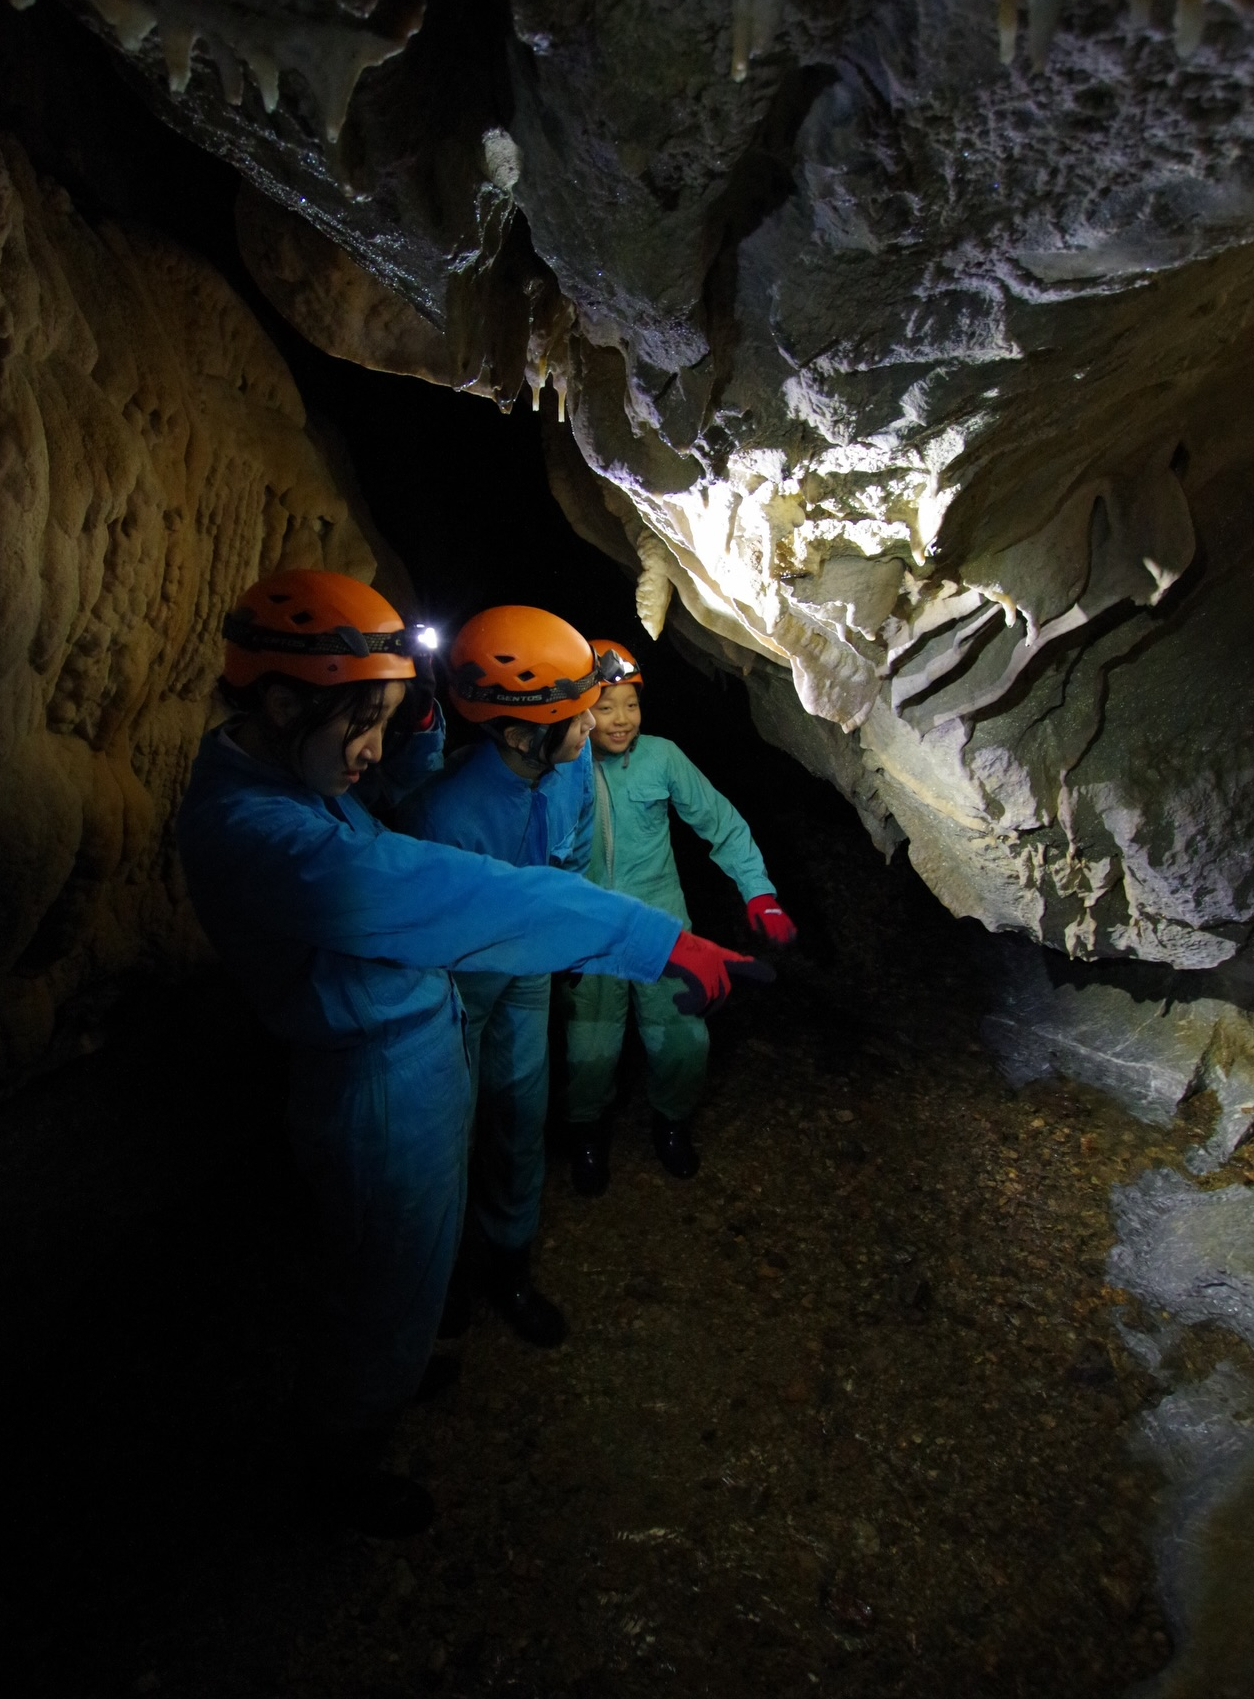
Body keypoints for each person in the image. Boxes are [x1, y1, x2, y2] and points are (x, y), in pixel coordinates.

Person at [175, 572, 767, 1539]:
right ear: (283, 701)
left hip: (412, 1037)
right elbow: (461, 891)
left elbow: (422, 829)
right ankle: (342, 1473)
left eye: (386, 717)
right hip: (378, 1075)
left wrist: (400, 740)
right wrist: (656, 941)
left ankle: (402, 1371)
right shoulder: (263, 836)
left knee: (401, 1253)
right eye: (360, 721)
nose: (370, 746)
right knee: (382, 1285)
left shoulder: (283, 773)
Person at [399, 605, 601, 1350]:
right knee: (446, 1125)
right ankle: (438, 1285)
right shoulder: (442, 815)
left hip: (529, 961)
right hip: (457, 979)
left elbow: (572, 853)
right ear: (520, 733)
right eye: (573, 717)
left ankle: (508, 1262)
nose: (589, 729)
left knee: (521, 1106)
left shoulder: (568, 766)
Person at [561, 640, 797, 1194]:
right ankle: (587, 1136)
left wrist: (759, 892)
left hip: (662, 924)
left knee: (683, 1039)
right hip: (591, 930)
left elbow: (723, 823)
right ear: (578, 710)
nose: (621, 720)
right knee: (590, 1049)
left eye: (631, 704)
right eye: (605, 705)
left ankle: (671, 1124)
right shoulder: (562, 766)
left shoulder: (662, 757)